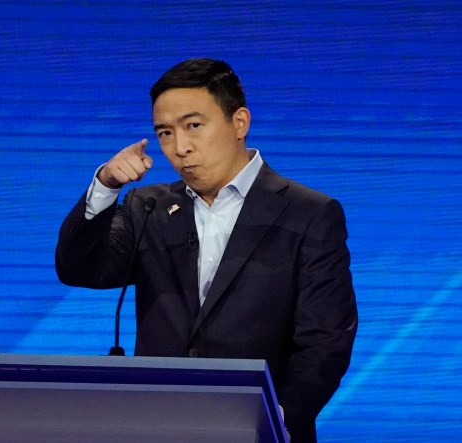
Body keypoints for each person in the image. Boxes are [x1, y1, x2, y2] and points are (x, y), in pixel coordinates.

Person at [55, 58, 358, 442]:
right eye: (165, 133)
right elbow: (79, 268)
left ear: (239, 123)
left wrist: (273, 420)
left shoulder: (309, 214)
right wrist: (106, 186)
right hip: (155, 429)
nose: (180, 147)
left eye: (193, 126)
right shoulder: (147, 208)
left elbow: (325, 341)